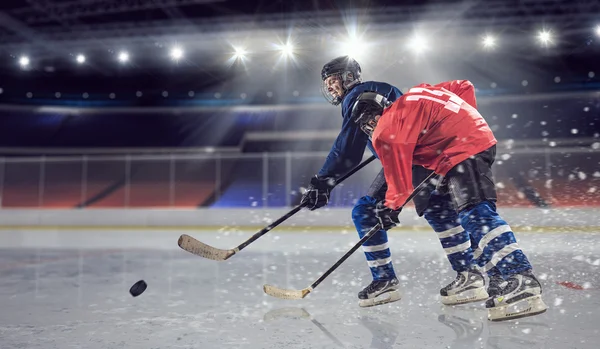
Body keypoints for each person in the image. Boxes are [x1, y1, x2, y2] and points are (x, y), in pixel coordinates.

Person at [350, 80, 548, 321]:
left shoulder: (385, 130)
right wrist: (461, 126)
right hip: (474, 141)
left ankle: (522, 280)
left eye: (367, 125)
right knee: (469, 213)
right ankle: (497, 276)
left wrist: (390, 208)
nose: (370, 130)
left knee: (475, 213)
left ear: (372, 118)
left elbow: (398, 179)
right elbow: (465, 87)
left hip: (463, 150)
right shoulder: (418, 92)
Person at [301, 56, 488, 308]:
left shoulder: (356, 96)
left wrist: (323, 182)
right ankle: (471, 274)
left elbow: (347, 150)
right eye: (327, 83)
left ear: (347, 77)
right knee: (439, 210)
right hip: (431, 155)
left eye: (333, 80)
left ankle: (385, 281)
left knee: (365, 211)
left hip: (410, 161)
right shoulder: (385, 87)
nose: (331, 87)